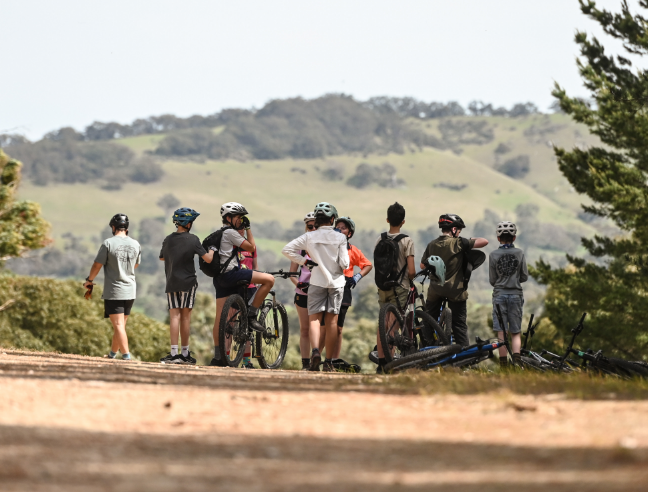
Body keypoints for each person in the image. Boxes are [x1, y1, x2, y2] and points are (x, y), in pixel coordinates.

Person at [282, 202, 349, 372]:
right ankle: (328, 362)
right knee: (332, 322)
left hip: (316, 282)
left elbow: (287, 249)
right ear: (333, 219)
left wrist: (306, 262)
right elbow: (345, 263)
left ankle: (315, 351)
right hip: (336, 283)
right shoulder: (340, 237)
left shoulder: (309, 237)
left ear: (317, 220)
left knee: (314, 320)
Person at [211, 202, 275, 367]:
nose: (240, 220)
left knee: (220, 319)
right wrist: (248, 229)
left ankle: (219, 358)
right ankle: (252, 314)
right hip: (232, 274)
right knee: (269, 280)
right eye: (239, 218)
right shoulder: (231, 232)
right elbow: (251, 248)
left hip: (219, 278)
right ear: (229, 218)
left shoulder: (218, 234)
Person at [420, 213, 488, 347]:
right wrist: (467, 241)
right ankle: (464, 360)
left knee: (428, 321)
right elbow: (484, 241)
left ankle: (427, 350)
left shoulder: (432, 244)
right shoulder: (458, 243)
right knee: (459, 324)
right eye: (459, 230)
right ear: (454, 229)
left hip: (435, 290)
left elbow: (422, 265)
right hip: (455, 291)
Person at [159, 207, 216, 365]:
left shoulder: (168, 239)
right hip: (188, 283)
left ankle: (173, 353)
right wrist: (212, 250)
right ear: (188, 223)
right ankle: (185, 354)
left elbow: (162, 258)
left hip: (171, 282)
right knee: (185, 318)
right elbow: (208, 259)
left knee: (174, 317)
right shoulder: (193, 239)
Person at [84, 213, 141, 361]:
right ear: (126, 228)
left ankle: (127, 356)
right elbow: (136, 265)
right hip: (130, 290)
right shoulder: (136, 244)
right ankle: (112, 354)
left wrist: (89, 280)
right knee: (120, 325)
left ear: (113, 227)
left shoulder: (108, 243)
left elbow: (97, 264)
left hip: (115, 290)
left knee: (118, 325)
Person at [319, 216, 372, 360]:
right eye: (338, 227)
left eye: (344, 228)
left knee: (339, 328)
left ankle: (333, 360)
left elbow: (367, 265)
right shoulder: (328, 247)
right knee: (325, 326)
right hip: (328, 285)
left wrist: (357, 277)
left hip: (345, 286)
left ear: (350, 233)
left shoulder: (353, 250)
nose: (340, 230)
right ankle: (316, 355)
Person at [374, 202, 416, 373]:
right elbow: (412, 271)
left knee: (382, 325)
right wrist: (410, 277)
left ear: (387, 219)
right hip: (400, 287)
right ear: (403, 221)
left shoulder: (380, 239)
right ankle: (390, 364)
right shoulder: (407, 241)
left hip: (382, 285)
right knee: (393, 326)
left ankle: (381, 362)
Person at [489, 221, 528, 367]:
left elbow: (492, 280)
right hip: (516, 295)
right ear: (514, 238)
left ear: (498, 238)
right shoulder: (519, 253)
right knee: (515, 331)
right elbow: (524, 276)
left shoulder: (493, 255)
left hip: (499, 295)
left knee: (501, 332)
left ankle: (504, 366)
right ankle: (517, 363)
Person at [288, 212, 316, 370]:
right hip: (303, 293)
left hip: (320, 291)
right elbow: (292, 273)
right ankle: (306, 363)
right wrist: (299, 284)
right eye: (309, 226)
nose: (312, 229)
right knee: (305, 329)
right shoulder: (300, 247)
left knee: (319, 328)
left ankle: (316, 358)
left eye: (315, 226)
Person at [237, 225, 258, 369]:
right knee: (230, 324)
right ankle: (227, 357)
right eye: (239, 228)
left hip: (250, 288)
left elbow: (255, 267)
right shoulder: (232, 246)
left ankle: (246, 361)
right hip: (236, 286)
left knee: (248, 327)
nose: (241, 231)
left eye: (243, 229)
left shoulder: (251, 247)